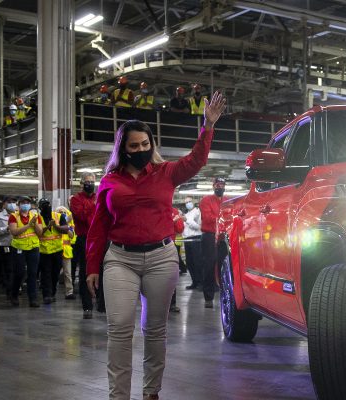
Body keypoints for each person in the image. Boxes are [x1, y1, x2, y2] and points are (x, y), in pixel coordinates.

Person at [85, 90, 225, 400]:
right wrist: (92, 266)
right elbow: (98, 228)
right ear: (123, 148)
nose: (141, 149)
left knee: (155, 330)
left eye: (145, 144)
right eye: (134, 146)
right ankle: (118, 395)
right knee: (119, 328)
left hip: (162, 258)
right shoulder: (110, 180)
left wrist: (208, 125)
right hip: (120, 260)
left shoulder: (166, 173)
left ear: (152, 145)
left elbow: (197, 159)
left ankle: (151, 392)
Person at [71, 172, 102, 318]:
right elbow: (83, 217)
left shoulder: (99, 198)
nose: (90, 184)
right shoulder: (76, 200)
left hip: (100, 238)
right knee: (86, 272)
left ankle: (102, 304)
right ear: (82, 183)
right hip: (84, 238)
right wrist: (94, 208)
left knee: (103, 270)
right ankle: (87, 307)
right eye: (87, 182)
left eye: (92, 181)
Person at [8, 196, 44, 307]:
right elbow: (14, 232)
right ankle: (14, 295)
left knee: (33, 273)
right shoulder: (13, 216)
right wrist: (29, 225)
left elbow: (40, 233)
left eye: (27, 202)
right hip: (19, 247)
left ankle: (32, 298)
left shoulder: (35, 216)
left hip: (33, 247)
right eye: (23, 202)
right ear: (19, 205)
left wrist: (35, 224)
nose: (25, 204)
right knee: (19, 273)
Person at [198, 177, 227, 308]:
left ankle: (225, 293)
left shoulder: (227, 200)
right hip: (209, 236)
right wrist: (222, 219)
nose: (220, 187)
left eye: (222, 185)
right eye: (218, 185)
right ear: (213, 186)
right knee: (209, 266)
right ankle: (208, 297)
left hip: (223, 237)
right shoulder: (206, 200)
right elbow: (207, 217)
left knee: (223, 265)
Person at [37, 198, 70, 305]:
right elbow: (39, 233)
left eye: (48, 204)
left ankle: (53, 293)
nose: (46, 206)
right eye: (44, 205)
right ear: (40, 207)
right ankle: (47, 295)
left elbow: (66, 229)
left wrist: (55, 226)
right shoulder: (37, 218)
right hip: (44, 251)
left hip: (57, 249)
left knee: (55, 273)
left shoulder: (59, 216)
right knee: (46, 273)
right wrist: (48, 227)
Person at [0, 197, 21, 305]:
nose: (12, 204)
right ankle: (10, 292)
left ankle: (15, 289)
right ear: (4, 204)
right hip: (5, 245)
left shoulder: (18, 215)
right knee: (9, 269)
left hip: (18, 245)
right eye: (9, 202)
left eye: (14, 202)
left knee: (18, 269)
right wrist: (6, 229)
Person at [181, 196, 202, 290]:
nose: (188, 203)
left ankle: (201, 283)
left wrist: (187, 220)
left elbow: (198, 227)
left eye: (189, 201)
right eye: (186, 202)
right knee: (189, 263)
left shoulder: (197, 212)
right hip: (187, 240)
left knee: (198, 262)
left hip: (196, 239)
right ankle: (194, 282)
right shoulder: (187, 213)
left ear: (193, 202)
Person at [57, 205, 77, 300]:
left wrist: (66, 226)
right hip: (55, 250)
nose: (62, 214)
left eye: (64, 212)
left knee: (67, 273)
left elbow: (72, 236)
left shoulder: (70, 224)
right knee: (54, 272)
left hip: (66, 251)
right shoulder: (54, 223)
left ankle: (69, 292)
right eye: (60, 212)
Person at [169, 207, 184, 313]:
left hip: (170, 244)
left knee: (171, 275)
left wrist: (177, 220)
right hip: (156, 243)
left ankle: (172, 303)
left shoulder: (174, 211)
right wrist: (172, 221)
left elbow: (180, 229)